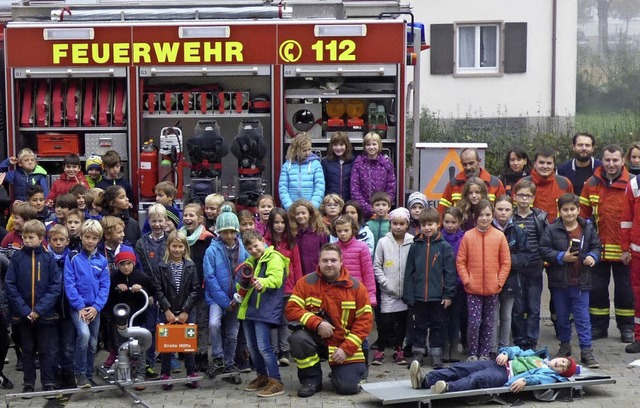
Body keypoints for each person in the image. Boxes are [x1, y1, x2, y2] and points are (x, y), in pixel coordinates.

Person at [285, 243, 373, 397]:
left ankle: (345, 374)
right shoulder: (306, 283)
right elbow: (291, 309)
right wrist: (317, 323)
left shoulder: (356, 288)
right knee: (297, 339)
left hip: (343, 343)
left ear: (341, 261)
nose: (329, 264)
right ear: (319, 262)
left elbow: (364, 323)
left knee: (347, 388)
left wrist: (346, 349)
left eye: (333, 260)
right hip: (315, 339)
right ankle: (311, 380)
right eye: (325, 260)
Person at [579, 144, 634, 343]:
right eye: (607, 160)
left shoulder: (633, 184)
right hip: (598, 249)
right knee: (597, 289)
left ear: (623, 161)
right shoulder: (591, 183)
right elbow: (583, 218)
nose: (611, 164)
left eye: (615, 160)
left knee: (625, 290)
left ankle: (626, 327)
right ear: (602, 160)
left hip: (623, 250)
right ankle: (599, 326)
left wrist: (630, 247)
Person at [539, 193, 601, 368]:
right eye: (565, 210)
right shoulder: (551, 229)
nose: (569, 213)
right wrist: (560, 256)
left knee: (582, 318)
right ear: (559, 211)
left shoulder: (587, 228)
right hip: (559, 282)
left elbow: (597, 246)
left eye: (572, 209)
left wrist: (592, 257)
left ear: (579, 210)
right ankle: (565, 346)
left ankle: (586, 351)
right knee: (562, 317)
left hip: (581, 281)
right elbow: (543, 249)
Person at [5, 220, 61, 396]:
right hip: (23, 315)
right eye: (24, 237)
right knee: (27, 351)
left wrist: (39, 309)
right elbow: (10, 284)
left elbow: (55, 286)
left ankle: (48, 381)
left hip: (45, 315)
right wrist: (25, 310)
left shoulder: (48, 258)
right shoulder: (17, 258)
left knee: (46, 350)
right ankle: (28, 383)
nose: (26, 240)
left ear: (41, 238)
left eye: (31, 237)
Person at [457, 199, 511, 361]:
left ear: (492, 215)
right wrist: (467, 280)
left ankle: (485, 353)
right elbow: (460, 261)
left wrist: (499, 281)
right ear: (475, 217)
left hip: (492, 288)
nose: (485, 218)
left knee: (489, 322)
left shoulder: (499, 236)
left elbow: (506, 262)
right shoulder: (468, 236)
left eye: (488, 215)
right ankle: (472, 352)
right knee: (474, 322)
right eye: (481, 215)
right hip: (472, 289)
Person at [237, 230, 289, 398]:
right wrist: (241, 286)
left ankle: (276, 381)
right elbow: (241, 287)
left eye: (255, 245)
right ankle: (262, 376)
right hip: (249, 310)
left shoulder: (274, 257)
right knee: (252, 347)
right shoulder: (250, 262)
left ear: (262, 241)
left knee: (264, 347)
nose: (253, 250)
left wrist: (262, 282)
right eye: (249, 248)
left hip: (265, 310)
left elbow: (276, 279)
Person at [402, 208, 456, 368]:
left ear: (438, 224)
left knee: (438, 326)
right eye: (424, 224)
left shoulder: (444, 246)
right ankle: (418, 353)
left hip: (437, 297)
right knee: (418, 326)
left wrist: (448, 295)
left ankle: (436, 355)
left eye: (430, 224)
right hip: (419, 296)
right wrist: (409, 295)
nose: (427, 228)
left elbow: (450, 273)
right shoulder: (415, 246)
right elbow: (409, 272)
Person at [409, 346, 579, 394]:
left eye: (563, 368)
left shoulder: (549, 375)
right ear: (558, 357)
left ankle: (447, 388)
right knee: (461, 368)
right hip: (497, 363)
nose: (561, 365)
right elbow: (516, 350)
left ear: (560, 374)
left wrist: (526, 380)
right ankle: (425, 380)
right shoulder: (539, 356)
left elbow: (540, 381)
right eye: (563, 361)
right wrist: (506, 352)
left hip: (504, 375)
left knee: (478, 378)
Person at [203, 205, 249, 379]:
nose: (229, 236)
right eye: (224, 232)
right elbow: (210, 277)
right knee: (214, 324)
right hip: (217, 298)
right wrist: (224, 301)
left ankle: (229, 362)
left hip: (237, 298)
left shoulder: (244, 249)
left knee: (232, 333)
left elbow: (247, 273)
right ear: (219, 232)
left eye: (231, 232)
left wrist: (238, 298)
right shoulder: (212, 250)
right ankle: (217, 357)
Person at [64, 219, 110, 388]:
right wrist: (80, 307)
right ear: (82, 237)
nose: (90, 241)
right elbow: (69, 284)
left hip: (94, 309)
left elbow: (105, 286)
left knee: (92, 342)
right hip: (79, 308)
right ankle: (80, 374)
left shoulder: (102, 260)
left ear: (99, 239)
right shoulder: (73, 257)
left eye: (94, 238)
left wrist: (97, 307)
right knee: (83, 335)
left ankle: (89, 375)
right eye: (87, 237)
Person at [153, 231, 200, 389]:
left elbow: (195, 290)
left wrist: (186, 310)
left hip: (187, 310)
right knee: (167, 344)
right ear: (168, 247)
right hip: (168, 311)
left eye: (180, 246)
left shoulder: (191, 266)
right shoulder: (162, 266)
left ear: (185, 248)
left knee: (188, 343)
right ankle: (166, 374)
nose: (177, 249)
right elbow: (158, 289)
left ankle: (191, 372)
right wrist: (166, 309)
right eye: (174, 246)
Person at [107, 250, 154, 391]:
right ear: (117, 265)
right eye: (122, 264)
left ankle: (140, 375)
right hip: (120, 319)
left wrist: (141, 289)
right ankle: (123, 374)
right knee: (122, 346)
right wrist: (117, 290)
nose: (126, 267)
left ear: (133, 264)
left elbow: (151, 295)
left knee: (138, 348)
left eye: (129, 264)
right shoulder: (113, 278)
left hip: (137, 318)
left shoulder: (142, 277)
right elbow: (108, 299)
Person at [373, 207, 413, 366]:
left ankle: (399, 350)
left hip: (405, 292)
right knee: (385, 322)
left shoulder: (412, 241)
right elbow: (377, 266)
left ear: (407, 224)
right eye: (395, 223)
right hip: (388, 291)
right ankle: (380, 349)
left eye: (401, 224)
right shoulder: (383, 242)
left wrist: (409, 285)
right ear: (390, 224)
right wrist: (385, 283)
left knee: (402, 322)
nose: (398, 227)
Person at [511, 179, 548, 350]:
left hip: (535, 268)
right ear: (515, 197)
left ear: (533, 198)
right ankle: (519, 340)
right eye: (521, 195)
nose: (524, 199)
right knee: (517, 307)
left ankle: (531, 341)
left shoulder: (539, 217)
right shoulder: (510, 218)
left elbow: (546, 240)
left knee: (534, 308)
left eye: (528, 196)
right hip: (516, 270)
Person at [264, 207, 303, 366]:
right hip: (271, 288)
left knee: (285, 320)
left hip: (288, 287)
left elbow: (296, 266)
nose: (279, 226)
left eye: (282, 222)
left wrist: (298, 288)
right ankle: (273, 350)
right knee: (273, 320)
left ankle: (284, 350)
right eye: (276, 222)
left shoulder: (291, 242)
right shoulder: (265, 242)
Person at [491, 196, 530, 354]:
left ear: (512, 212)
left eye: (507, 210)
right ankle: (492, 348)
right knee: (492, 316)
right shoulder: (488, 229)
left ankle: (504, 347)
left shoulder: (518, 231)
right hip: (490, 279)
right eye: (500, 209)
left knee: (507, 315)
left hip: (511, 279)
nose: (503, 213)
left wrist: (505, 261)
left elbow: (525, 256)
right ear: (494, 210)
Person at [179, 203, 214, 372]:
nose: (188, 218)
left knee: (202, 323)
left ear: (200, 219)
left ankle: (202, 355)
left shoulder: (208, 239)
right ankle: (188, 356)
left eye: (192, 215)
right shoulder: (178, 238)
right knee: (188, 322)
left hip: (202, 288)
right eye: (185, 215)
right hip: (183, 289)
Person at [47, 224, 76, 389]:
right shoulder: (45, 258)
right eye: (54, 240)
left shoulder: (72, 258)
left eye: (61, 240)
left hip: (68, 309)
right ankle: (55, 376)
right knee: (52, 347)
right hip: (50, 310)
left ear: (67, 241)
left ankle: (68, 375)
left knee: (67, 346)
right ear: (49, 241)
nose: (58, 243)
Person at [437, 148, 505, 215]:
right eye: (465, 164)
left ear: (479, 161)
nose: (468, 167)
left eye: (471, 163)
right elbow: (442, 211)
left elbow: (503, 211)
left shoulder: (495, 184)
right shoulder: (453, 184)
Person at [519, 147, 573, 222]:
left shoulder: (564, 183)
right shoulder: (522, 183)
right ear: (535, 164)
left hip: (558, 230)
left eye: (549, 163)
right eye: (541, 162)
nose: (545, 166)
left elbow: (572, 208)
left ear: (554, 165)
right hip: (530, 231)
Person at [441, 206, 467, 361]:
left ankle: (454, 347)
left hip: (459, 286)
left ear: (459, 222)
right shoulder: (438, 237)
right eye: (447, 222)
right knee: (443, 318)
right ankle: (444, 348)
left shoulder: (464, 238)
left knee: (456, 318)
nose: (450, 225)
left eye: (453, 222)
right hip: (442, 286)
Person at [350, 132, 396, 219]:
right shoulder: (358, 164)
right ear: (364, 146)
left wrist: (382, 207)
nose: (371, 147)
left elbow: (391, 188)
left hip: (382, 212)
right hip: (362, 213)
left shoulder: (386, 164)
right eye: (368, 145)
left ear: (379, 145)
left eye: (374, 144)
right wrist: (369, 208)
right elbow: (354, 190)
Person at [279, 132, 325, 210]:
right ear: (296, 150)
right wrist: (289, 207)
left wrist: (312, 207)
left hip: (310, 208)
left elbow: (319, 187)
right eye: (304, 150)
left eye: (309, 149)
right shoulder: (287, 166)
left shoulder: (316, 164)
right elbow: (283, 188)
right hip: (291, 208)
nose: (308, 153)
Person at [290, 199, 327, 277]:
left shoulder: (319, 232)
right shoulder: (292, 233)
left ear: (310, 214)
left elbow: (324, 253)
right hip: (297, 274)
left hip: (316, 273)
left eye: (303, 213)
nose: (300, 216)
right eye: (297, 214)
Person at [321, 131, 355, 201]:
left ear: (346, 145)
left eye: (341, 145)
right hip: (331, 203)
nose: (338, 148)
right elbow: (322, 185)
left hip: (349, 202)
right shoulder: (325, 162)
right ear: (331, 146)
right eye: (335, 145)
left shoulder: (354, 162)